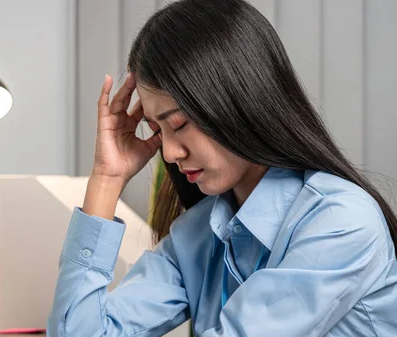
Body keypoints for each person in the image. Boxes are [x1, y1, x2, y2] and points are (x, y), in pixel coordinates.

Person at [47, 0, 397, 336]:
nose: (168, 153)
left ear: (240, 103)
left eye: (180, 124)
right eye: (156, 130)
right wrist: (107, 180)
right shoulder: (197, 236)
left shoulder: (340, 221)